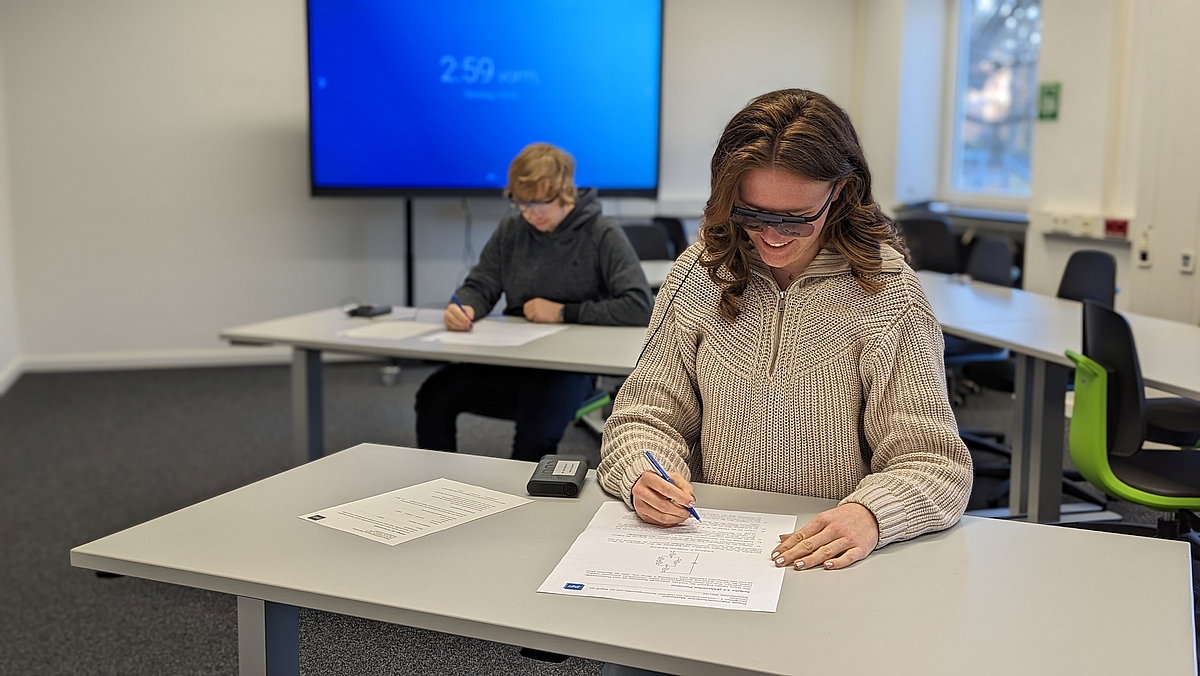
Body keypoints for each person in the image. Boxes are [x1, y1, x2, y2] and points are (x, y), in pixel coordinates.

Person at [598, 89, 973, 575]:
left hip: (826, 559)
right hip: (711, 550)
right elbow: (642, 417)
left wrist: (871, 515)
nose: (773, 236)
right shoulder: (699, 274)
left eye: (797, 219)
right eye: (752, 215)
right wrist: (643, 473)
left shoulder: (887, 294)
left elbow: (934, 463)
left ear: (840, 192)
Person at [415, 142, 652, 462]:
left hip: (569, 369)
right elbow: (482, 282)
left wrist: (563, 312)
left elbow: (639, 305)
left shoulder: (601, 233)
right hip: (515, 360)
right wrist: (465, 306)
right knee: (434, 395)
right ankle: (435, 488)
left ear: (565, 191)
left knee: (535, 434)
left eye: (540, 203)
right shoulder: (514, 228)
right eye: (522, 203)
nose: (531, 213)